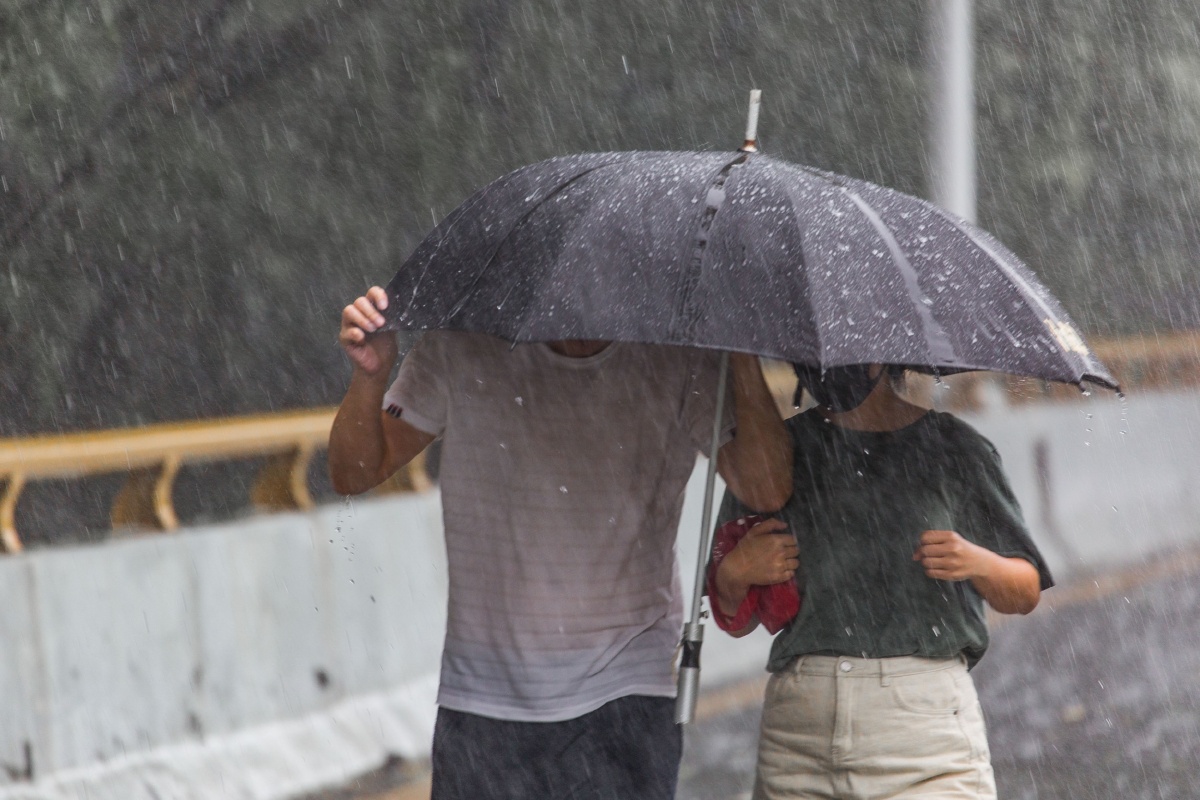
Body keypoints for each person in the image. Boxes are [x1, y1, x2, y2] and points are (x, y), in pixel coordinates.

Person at [328, 286, 794, 800]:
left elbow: (767, 486)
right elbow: (355, 472)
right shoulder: (462, 345)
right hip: (486, 699)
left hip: (626, 694)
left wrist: (740, 351)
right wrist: (370, 379)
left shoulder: (679, 357)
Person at [711, 363, 1054, 799]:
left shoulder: (956, 449)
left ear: (889, 350)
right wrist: (734, 575)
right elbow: (735, 619)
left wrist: (978, 561)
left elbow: (1024, 590)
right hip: (798, 742)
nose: (828, 365)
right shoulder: (774, 457)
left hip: (925, 740)